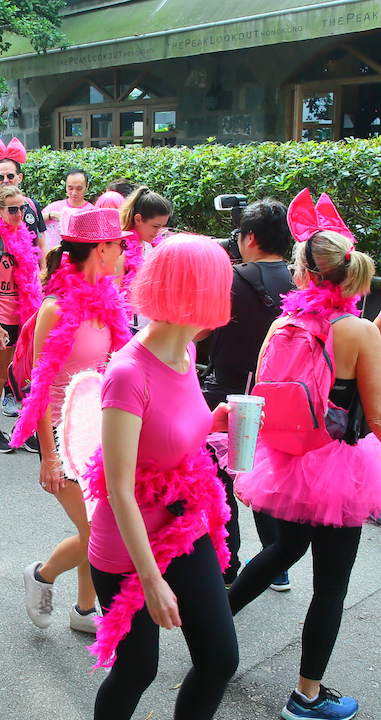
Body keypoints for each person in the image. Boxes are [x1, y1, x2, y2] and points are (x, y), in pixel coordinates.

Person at [230, 190, 381, 720]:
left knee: (281, 550)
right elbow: (378, 417)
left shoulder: (282, 324)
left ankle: (216, 629)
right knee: (332, 586)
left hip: (287, 459)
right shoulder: (359, 331)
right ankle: (306, 697)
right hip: (340, 466)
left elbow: (261, 389)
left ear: (304, 273)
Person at [87, 234, 238, 720]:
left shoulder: (188, 353)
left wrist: (212, 423)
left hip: (182, 529)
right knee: (137, 671)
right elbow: (117, 488)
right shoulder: (128, 373)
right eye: (220, 286)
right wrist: (151, 581)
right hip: (129, 551)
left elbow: (171, 434)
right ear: (198, 294)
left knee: (219, 660)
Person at [11, 207, 132, 634]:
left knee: (93, 524)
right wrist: (49, 456)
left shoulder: (109, 299)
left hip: (99, 431)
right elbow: (39, 388)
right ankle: (42, 575)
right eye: (119, 243)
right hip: (64, 437)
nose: (123, 250)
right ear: (101, 248)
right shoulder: (56, 308)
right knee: (98, 531)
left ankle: (84, 610)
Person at [200, 198, 294, 589]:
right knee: (262, 478)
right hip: (274, 399)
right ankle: (277, 563)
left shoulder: (232, 278)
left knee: (221, 484)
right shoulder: (298, 281)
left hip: (227, 395)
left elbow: (202, 330)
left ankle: (228, 564)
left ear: (250, 237)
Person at [0, 186, 43, 454]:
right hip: (1, 319)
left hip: (25, 317)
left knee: (26, 378)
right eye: (13, 209)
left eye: (23, 209)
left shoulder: (26, 237)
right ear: (0, 211)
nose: (19, 214)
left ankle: (25, 430)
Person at [0, 137, 48, 267]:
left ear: (20, 177)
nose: (5, 180)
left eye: (10, 176)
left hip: (29, 278)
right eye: (1, 177)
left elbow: (41, 245)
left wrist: (44, 278)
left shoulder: (32, 206)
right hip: (0, 281)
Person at [118, 186, 172, 332]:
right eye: (156, 226)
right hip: (129, 328)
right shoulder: (120, 250)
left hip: (151, 325)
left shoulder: (153, 245)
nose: (159, 231)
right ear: (138, 219)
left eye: (162, 227)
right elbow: (113, 298)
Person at [41, 168, 94, 248]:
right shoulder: (55, 206)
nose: (74, 193)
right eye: (70, 188)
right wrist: (52, 215)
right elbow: (36, 220)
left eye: (79, 189)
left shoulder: (92, 211)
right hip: (54, 256)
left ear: (87, 186)